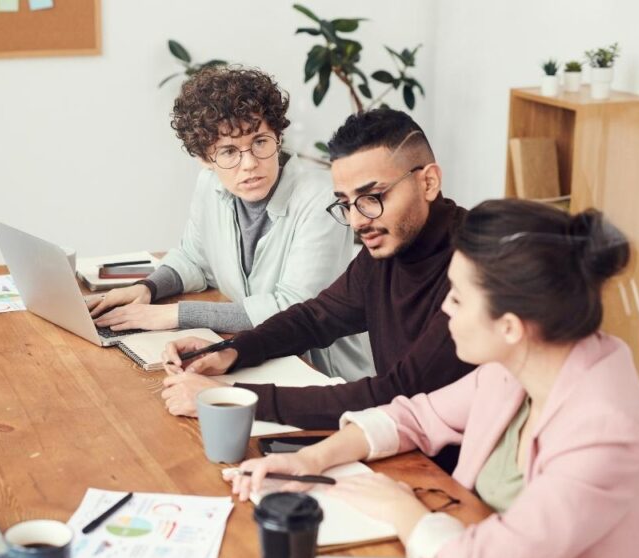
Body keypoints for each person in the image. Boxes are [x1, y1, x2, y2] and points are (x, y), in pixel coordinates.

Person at [234, 200, 639, 558]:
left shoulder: (604, 433)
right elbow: (416, 416)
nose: (445, 308)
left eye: (458, 298)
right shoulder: (520, 364)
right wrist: (312, 458)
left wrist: (399, 508)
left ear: (510, 327)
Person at [161, 108, 474, 430]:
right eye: (346, 203)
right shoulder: (390, 246)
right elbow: (316, 318)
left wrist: (231, 398)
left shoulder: (475, 269)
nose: (357, 221)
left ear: (429, 182)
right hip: (399, 439)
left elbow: (398, 393)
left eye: (373, 196)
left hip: (449, 468)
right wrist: (232, 351)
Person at [89, 66, 372, 381]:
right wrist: (147, 288)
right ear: (203, 159)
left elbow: (294, 308)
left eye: (261, 142)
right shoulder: (210, 185)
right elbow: (194, 259)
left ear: (278, 137)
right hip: (254, 356)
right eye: (228, 151)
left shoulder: (320, 198)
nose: (249, 164)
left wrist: (171, 315)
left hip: (319, 374)